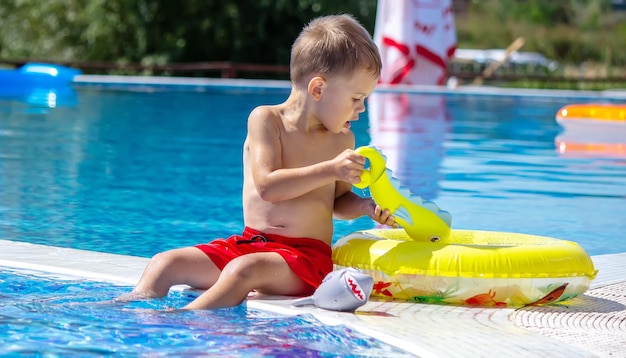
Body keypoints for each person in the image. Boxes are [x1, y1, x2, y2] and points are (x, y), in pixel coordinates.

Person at [118, 14, 396, 310]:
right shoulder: (266, 120)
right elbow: (268, 186)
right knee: (165, 263)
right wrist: (330, 168)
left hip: (305, 260)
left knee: (241, 271)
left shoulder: (341, 141)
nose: (362, 108)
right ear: (318, 89)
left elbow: (338, 201)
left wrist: (365, 207)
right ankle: (125, 311)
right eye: (356, 97)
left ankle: (183, 320)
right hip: (251, 244)